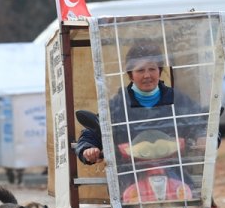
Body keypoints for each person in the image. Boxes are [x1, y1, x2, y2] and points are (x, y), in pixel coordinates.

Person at [74, 41, 210, 167]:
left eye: (152, 69)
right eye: (140, 70)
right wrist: (88, 149)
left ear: (160, 71)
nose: (147, 75)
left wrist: (203, 136)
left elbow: (199, 123)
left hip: (174, 171)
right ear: (130, 75)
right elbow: (92, 133)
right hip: (129, 177)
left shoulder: (178, 100)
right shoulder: (118, 106)